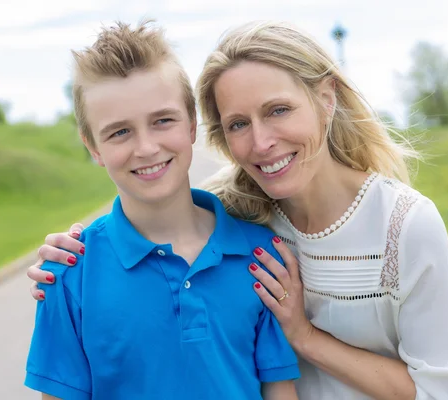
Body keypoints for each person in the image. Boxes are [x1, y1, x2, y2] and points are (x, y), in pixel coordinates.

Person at [27, 20, 448, 400]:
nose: (262, 142)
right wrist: (66, 259)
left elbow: (437, 390)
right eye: (239, 124)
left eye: (279, 110)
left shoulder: (392, 227)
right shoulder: (244, 213)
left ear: (326, 98)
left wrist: (304, 336)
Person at [23, 20, 300, 400]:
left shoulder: (261, 255)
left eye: (162, 121)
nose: (146, 147)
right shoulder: (70, 274)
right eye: (119, 132)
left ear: (191, 125)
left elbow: (279, 390)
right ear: (94, 148)